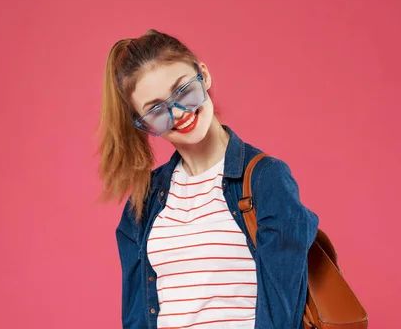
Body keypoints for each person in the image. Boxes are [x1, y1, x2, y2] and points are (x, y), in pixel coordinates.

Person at [98, 29, 319, 329]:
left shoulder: (266, 181)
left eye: (183, 90)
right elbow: (137, 317)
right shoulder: (145, 203)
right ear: (144, 125)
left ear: (203, 74)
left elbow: (283, 311)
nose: (178, 112)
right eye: (157, 110)